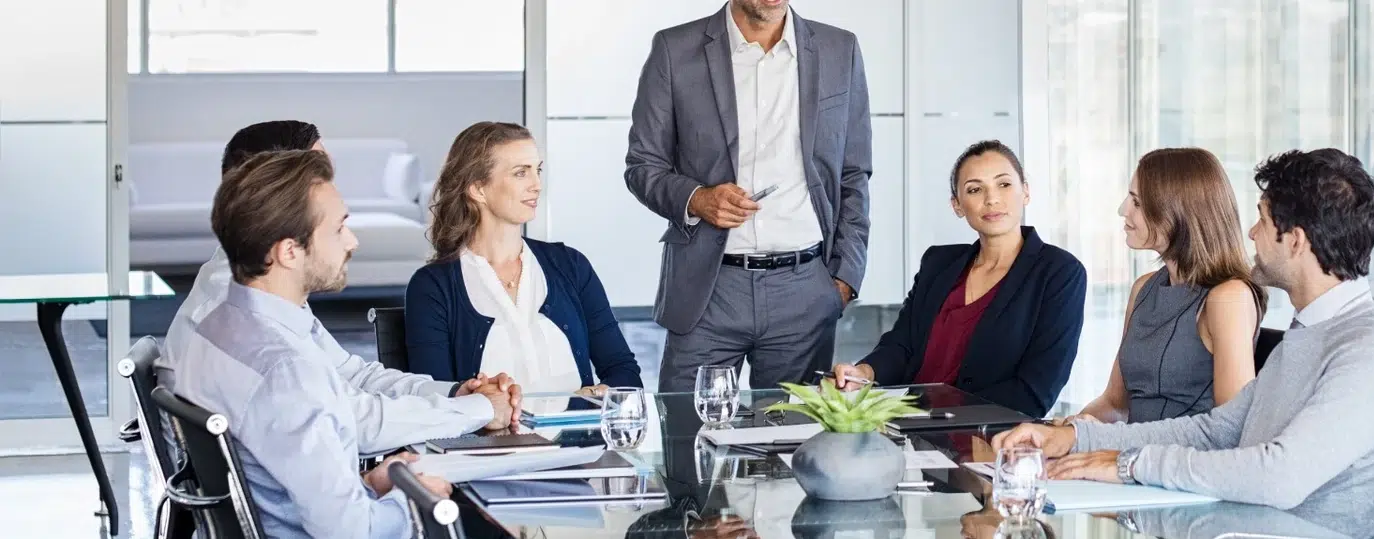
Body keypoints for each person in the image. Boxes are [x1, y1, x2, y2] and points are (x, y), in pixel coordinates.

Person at [991, 149, 1374, 539]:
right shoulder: (1310, 332)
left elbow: (1281, 476)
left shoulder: (1372, 348)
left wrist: (1128, 465)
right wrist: (1077, 440)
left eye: (1262, 219)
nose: (1251, 233)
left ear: (1294, 240)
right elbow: (1216, 429)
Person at [162, 150, 521, 537]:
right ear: (288, 251)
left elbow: (329, 434)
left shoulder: (217, 326)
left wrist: (372, 484)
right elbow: (354, 532)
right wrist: (416, 498)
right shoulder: (286, 370)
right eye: (338, 228)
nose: (352, 242)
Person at [626, 0, 873, 392]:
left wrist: (845, 276)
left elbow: (854, 172)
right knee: (687, 437)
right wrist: (697, 198)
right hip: (708, 290)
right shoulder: (675, 49)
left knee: (791, 444)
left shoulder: (839, 48)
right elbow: (643, 166)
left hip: (805, 290)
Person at [826, 141, 1086, 416]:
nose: (992, 199)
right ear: (957, 205)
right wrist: (862, 373)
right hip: (909, 430)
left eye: (1004, 184)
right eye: (975, 189)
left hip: (987, 440)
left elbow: (1035, 391)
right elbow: (902, 345)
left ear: (1026, 192)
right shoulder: (938, 263)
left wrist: (938, 416)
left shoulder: (1059, 272)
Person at [405, 122, 644, 394]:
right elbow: (433, 398)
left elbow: (625, 374)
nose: (537, 185)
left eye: (537, 170)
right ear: (478, 189)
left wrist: (585, 398)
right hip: (490, 438)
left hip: (576, 437)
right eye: (521, 173)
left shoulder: (570, 265)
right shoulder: (433, 286)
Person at [1068, 148, 1265, 424]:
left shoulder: (1228, 298)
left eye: (1137, 203)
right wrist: (1063, 431)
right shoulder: (1144, 289)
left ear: (1178, 212)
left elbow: (1230, 427)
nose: (1123, 210)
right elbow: (1115, 405)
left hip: (1179, 463)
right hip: (1127, 457)